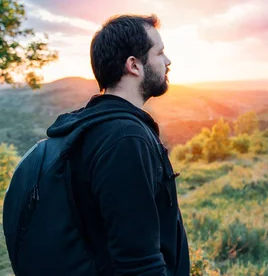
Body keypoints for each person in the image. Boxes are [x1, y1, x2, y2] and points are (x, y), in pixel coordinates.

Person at [46, 14, 190, 275]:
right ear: (134, 65)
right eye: (160, 53)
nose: (168, 62)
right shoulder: (125, 139)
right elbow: (138, 263)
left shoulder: (94, 126)